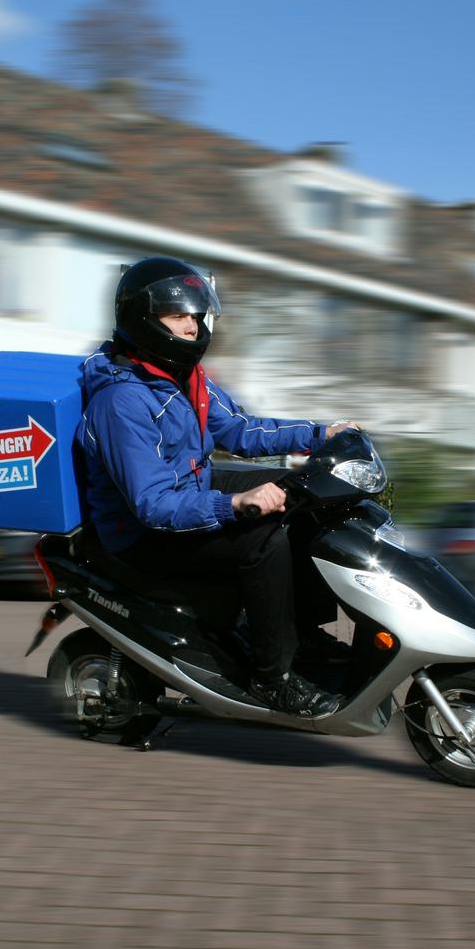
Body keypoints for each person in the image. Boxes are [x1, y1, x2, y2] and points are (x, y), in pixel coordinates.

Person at [77, 256, 353, 718]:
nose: (192, 327)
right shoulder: (121, 401)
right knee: (262, 538)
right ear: (143, 319)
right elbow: (154, 505)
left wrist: (320, 434)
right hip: (141, 535)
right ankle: (274, 680)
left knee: (302, 493)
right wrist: (235, 503)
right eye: (177, 316)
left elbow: (242, 431)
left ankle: (303, 633)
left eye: (195, 315)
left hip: (187, 486)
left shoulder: (185, 378)